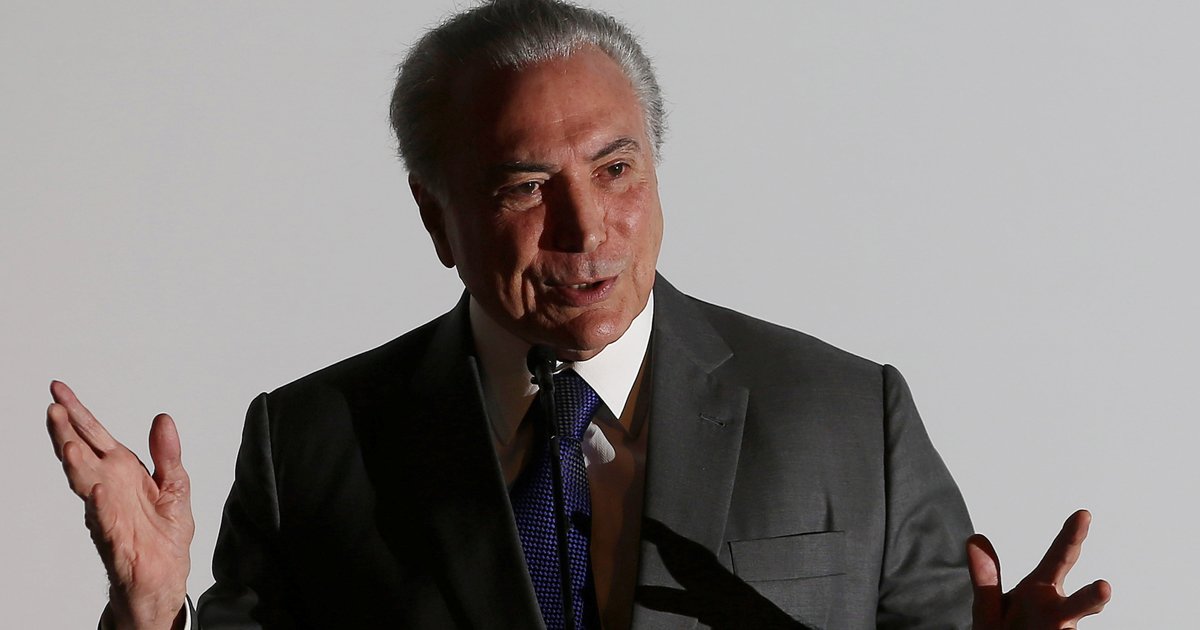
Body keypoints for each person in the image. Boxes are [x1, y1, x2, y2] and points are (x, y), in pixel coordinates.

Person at [46, 1, 1111, 628]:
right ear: (436, 216)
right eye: (524, 186)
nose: (586, 227)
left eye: (615, 168)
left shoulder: (850, 415)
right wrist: (149, 614)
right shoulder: (312, 442)